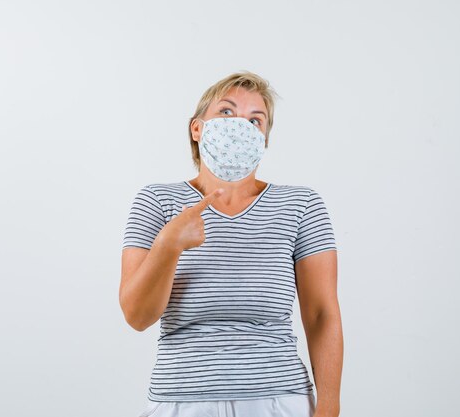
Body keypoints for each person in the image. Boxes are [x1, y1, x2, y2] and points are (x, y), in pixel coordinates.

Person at [120, 71, 342, 417]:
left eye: (256, 119)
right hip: (181, 401)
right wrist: (169, 244)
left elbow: (321, 315)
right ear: (197, 128)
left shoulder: (301, 205)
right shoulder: (156, 201)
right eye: (226, 112)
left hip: (279, 400)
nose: (241, 125)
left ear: (264, 139)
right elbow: (137, 316)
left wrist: (329, 407)